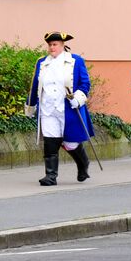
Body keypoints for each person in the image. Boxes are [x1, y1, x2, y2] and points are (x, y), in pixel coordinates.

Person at [25, 31, 94, 186]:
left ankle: (83, 163)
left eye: (55, 44)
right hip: (47, 109)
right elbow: (35, 86)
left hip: (67, 109)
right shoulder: (42, 62)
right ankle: (51, 176)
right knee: (50, 141)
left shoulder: (75, 61)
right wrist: (31, 105)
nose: (52, 47)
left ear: (63, 45)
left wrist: (78, 98)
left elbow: (85, 84)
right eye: (50, 45)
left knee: (71, 143)